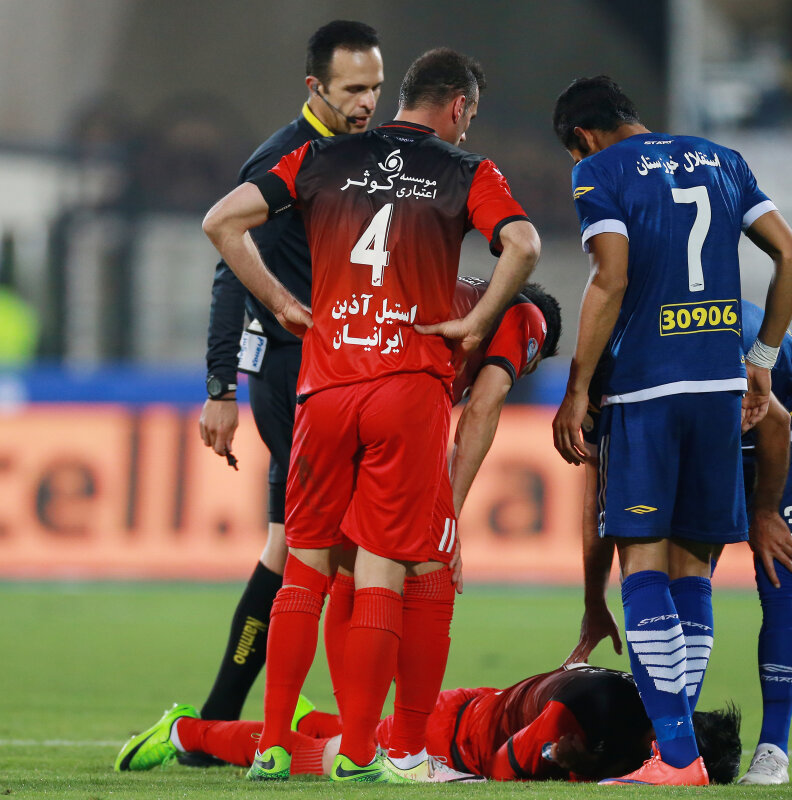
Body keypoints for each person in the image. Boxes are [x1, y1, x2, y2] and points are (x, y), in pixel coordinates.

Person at [201, 48, 541, 783]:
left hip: (323, 388)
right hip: (403, 390)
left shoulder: (321, 157)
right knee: (386, 564)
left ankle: (270, 745)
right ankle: (369, 752)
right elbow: (523, 244)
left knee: (305, 563)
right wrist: (477, 320)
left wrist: (280, 302)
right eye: (469, 116)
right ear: (458, 107)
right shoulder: (467, 171)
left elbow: (221, 221)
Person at [549, 76, 792, 786]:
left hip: (647, 387)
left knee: (643, 564)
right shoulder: (724, 160)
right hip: (720, 389)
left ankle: (674, 755)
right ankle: (674, 749)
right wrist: (761, 361)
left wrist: (577, 388)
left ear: (581, 138)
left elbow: (610, 277)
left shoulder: (598, 170)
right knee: (692, 569)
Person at [193, 20, 384, 730]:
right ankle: (354, 725)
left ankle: (222, 716)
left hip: (338, 372)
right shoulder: (284, 158)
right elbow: (229, 269)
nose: (368, 102)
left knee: (292, 544)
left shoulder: (364, 154)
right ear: (315, 87)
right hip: (290, 372)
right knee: (324, 547)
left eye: (375, 87)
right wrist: (219, 388)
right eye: (353, 89)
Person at [567, 299, 792, 785]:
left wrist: (765, 512)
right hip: (712, 421)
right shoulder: (603, 383)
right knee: (678, 573)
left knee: (776, 572)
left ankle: (773, 751)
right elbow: (602, 497)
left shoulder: (683, 353)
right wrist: (592, 599)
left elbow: (774, 420)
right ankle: (672, 748)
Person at [111, 664, 743, 785]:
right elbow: (500, 769)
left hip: (471, 713)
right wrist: (567, 767)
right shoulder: (592, 714)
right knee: (316, 761)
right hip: (446, 738)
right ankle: (184, 732)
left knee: (343, 736)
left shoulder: (637, 708)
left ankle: (315, 718)